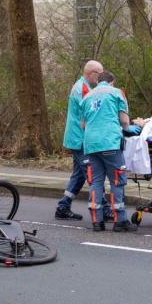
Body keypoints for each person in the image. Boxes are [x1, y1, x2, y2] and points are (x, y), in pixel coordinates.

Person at [81, 71, 140, 232]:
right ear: (112, 82)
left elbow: (83, 125)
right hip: (110, 143)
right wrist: (129, 128)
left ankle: (96, 221)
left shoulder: (87, 96)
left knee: (96, 182)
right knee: (117, 181)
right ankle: (120, 220)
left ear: (99, 81)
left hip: (91, 145)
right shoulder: (116, 93)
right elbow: (125, 121)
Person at [56, 60, 103, 220]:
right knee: (93, 174)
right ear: (91, 74)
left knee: (79, 175)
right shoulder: (83, 89)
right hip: (80, 139)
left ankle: (63, 206)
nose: (101, 78)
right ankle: (104, 208)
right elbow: (90, 114)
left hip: (77, 137)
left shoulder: (84, 86)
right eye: (99, 74)